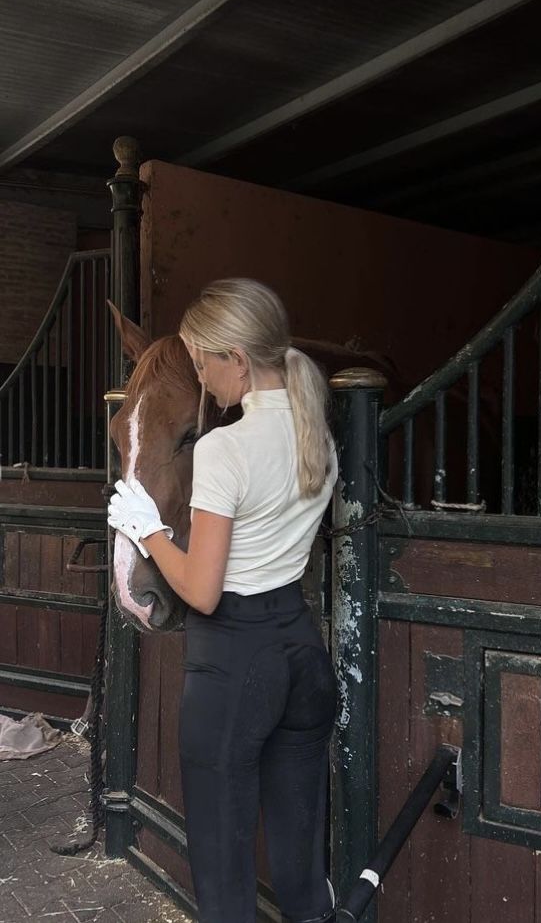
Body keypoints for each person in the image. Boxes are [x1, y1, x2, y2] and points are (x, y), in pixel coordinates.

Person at [107, 278, 338, 923]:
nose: (204, 382)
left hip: (235, 661)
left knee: (221, 866)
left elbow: (201, 590)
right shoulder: (316, 431)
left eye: (204, 363)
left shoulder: (222, 449)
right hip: (301, 650)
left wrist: (147, 528)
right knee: (300, 860)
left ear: (235, 358)